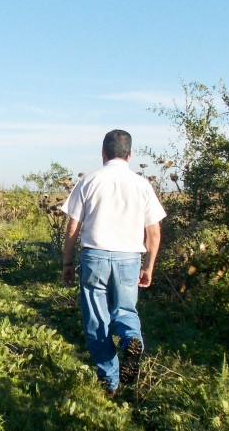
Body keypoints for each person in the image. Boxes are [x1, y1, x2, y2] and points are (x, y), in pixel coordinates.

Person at [60, 130, 166, 394]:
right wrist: (149, 266)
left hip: (94, 256)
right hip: (129, 259)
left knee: (97, 320)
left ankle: (109, 381)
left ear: (103, 153)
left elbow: (73, 227)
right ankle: (131, 339)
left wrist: (67, 263)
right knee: (126, 311)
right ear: (129, 155)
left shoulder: (89, 181)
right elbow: (153, 232)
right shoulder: (142, 185)